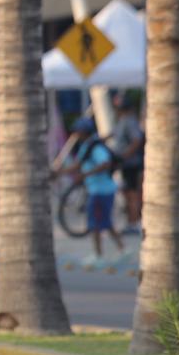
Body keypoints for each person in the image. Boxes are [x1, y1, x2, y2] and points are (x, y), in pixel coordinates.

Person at [66, 116, 126, 267]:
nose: (76, 134)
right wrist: (58, 173)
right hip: (97, 190)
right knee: (105, 222)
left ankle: (99, 255)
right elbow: (77, 165)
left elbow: (105, 163)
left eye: (78, 131)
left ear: (84, 131)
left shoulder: (95, 147)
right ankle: (122, 249)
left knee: (95, 224)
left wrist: (86, 174)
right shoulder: (87, 145)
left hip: (101, 190)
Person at [109, 93, 144, 230]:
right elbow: (114, 134)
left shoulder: (130, 121)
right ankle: (130, 221)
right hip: (125, 164)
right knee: (127, 193)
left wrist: (125, 155)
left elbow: (136, 140)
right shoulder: (122, 121)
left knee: (132, 194)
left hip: (132, 164)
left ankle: (134, 222)